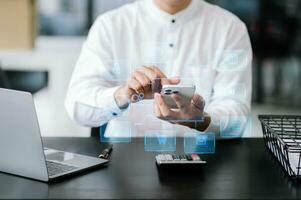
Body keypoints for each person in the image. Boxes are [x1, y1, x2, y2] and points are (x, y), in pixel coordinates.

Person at [65, 0, 252, 137]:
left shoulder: (230, 28)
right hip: (123, 168)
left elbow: (237, 117)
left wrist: (201, 119)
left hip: (203, 165)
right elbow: (78, 108)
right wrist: (122, 95)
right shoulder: (111, 25)